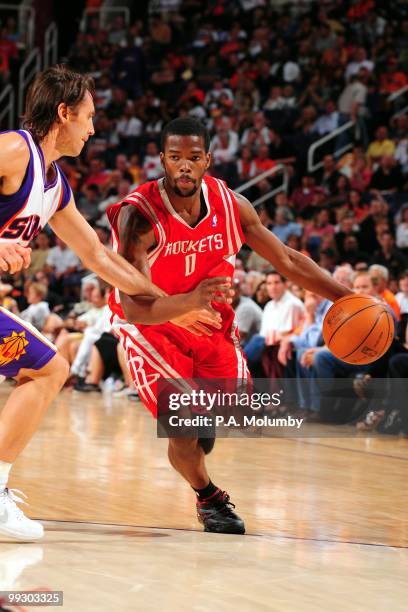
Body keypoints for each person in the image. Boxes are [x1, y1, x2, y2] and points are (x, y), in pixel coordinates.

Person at [0, 67, 228, 542]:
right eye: (88, 116)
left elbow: (99, 256)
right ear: (63, 113)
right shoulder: (14, 150)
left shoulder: (54, 185)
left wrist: (172, 304)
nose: (93, 127)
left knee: (49, 369)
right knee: (49, 370)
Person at [107, 117, 352, 535]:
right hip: (153, 330)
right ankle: (208, 497)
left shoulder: (232, 204)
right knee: (182, 427)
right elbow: (133, 307)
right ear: (162, 160)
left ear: (208, 159)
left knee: (232, 403)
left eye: (194, 158)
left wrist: (347, 298)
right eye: (175, 157)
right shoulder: (140, 216)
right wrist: (187, 303)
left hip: (212, 327)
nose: (185, 166)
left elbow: (288, 260)